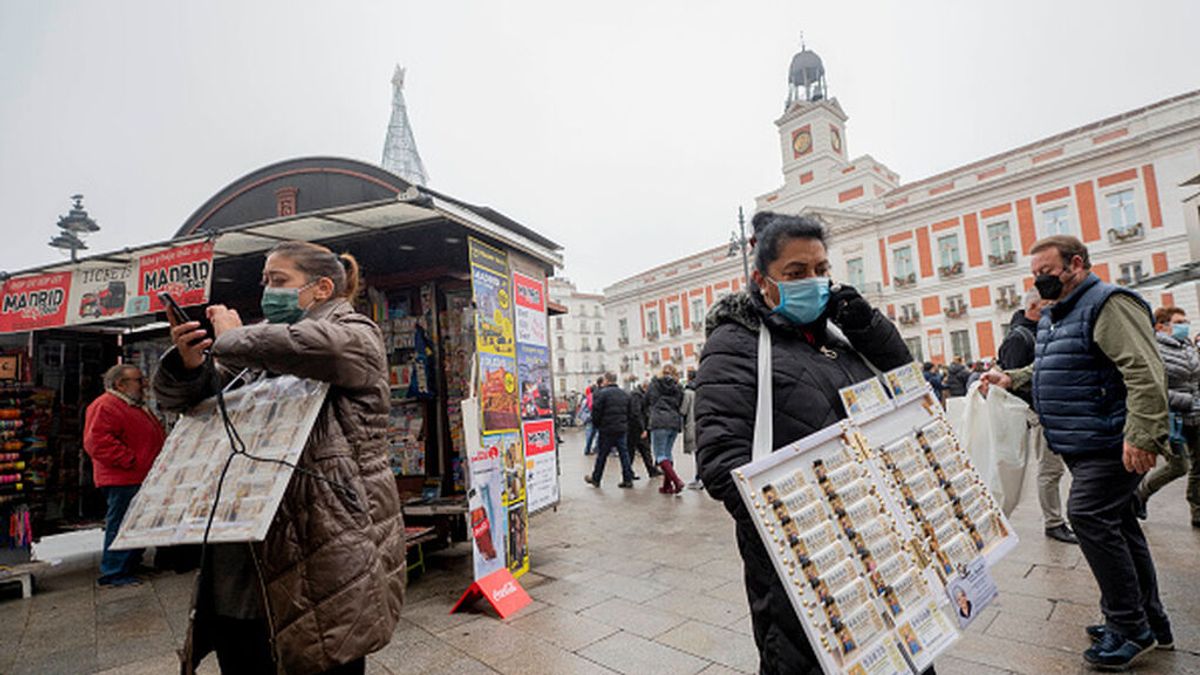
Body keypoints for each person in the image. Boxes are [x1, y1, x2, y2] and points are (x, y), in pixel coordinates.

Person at [154, 240, 405, 675]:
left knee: (321, 651)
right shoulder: (256, 351)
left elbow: (318, 347)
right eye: (265, 280)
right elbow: (186, 398)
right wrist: (190, 365)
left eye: (279, 280)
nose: (267, 290)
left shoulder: (356, 333)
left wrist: (233, 338)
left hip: (323, 545)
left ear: (321, 287)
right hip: (244, 561)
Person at [695, 212, 912, 674]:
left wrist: (867, 325)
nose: (812, 282)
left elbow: (907, 389)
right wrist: (799, 524)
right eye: (795, 273)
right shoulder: (736, 343)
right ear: (763, 279)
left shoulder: (836, 337)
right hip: (799, 554)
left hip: (875, 536)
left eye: (820, 270)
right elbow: (719, 459)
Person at [980, 235, 1171, 670]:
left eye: (1047, 272)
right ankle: (1149, 621)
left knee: (1087, 515)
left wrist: (1142, 434)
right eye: (1034, 275)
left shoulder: (1109, 304)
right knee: (1120, 526)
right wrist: (1012, 378)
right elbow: (1052, 366)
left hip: (1110, 439)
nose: (1039, 281)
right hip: (1083, 440)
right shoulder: (1056, 314)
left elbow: (1144, 370)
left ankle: (1130, 628)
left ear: (1076, 265)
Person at [996, 288, 1077, 544]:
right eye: (1047, 306)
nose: (1052, 310)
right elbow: (1012, 379)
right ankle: (1054, 522)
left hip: (1057, 407)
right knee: (1050, 469)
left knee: (1067, 466)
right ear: (1033, 307)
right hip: (1041, 412)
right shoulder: (1018, 338)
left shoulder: (1043, 329)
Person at [83, 364, 166, 587]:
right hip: (123, 477)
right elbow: (97, 443)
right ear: (120, 384)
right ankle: (114, 572)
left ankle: (130, 564)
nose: (144, 384)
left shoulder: (131, 405)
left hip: (138, 476)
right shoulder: (105, 406)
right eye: (138, 380)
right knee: (121, 524)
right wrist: (130, 460)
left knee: (136, 523)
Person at [1133, 306, 1200, 524]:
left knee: (1199, 467)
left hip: (1196, 415)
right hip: (1172, 418)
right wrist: (1187, 401)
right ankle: (1141, 493)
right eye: (1179, 322)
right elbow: (1154, 386)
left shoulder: (1187, 346)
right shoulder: (1154, 349)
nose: (1185, 325)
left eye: (1186, 321)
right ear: (1161, 326)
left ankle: (1197, 512)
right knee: (1178, 466)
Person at [585, 372, 634, 488]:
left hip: (606, 429)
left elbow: (596, 412)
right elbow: (630, 412)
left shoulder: (602, 394)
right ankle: (628, 479)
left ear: (606, 380)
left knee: (602, 455)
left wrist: (597, 425)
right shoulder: (625, 394)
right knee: (624, 455)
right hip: (621, 428)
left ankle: (596, 478)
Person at [647, 364, 686, 494]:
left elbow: (648, 400)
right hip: (674, 421)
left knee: (660, 455)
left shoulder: (654, 384)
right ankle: (666, 486)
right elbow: (680, 403)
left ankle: (677, 481)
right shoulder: (678, 387)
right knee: (667, 454)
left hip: (659, 421)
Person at [626, 380, 660, 479]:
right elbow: (636, 413)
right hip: (635, 428)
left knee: (641, 451)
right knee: (639, 451)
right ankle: (629, 473)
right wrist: (643, 429)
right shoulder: (636, 395)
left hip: (636, 427)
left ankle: (630, 473)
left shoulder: (638, 394)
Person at [681, 369, 702, 489]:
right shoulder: (701, 389)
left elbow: (683, 410)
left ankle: (699, 478)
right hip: (703, 424)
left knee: (697, 454)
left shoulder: (688, 392)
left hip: (692, 424)